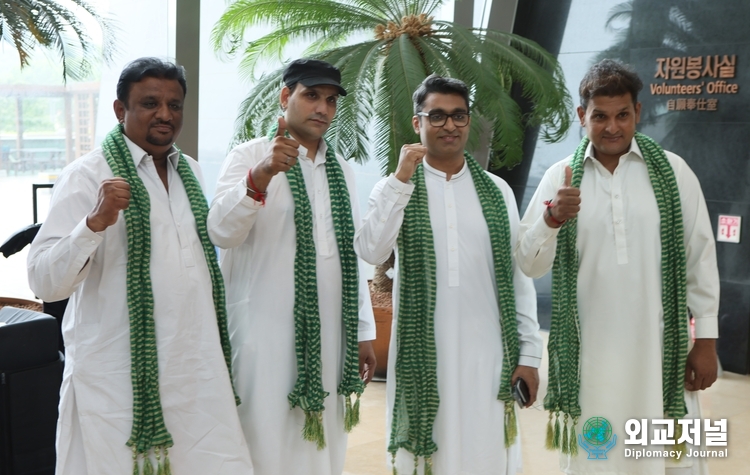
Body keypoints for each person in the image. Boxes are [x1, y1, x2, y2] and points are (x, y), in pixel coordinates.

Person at [27, 58, 254, 474]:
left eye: (175, 104)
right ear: (120, 110)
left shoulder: (192, 172)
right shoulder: (87, 175)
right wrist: (93, 223)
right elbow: (45, 280)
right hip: (119, 373)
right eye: (150, 103)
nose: (165, 114)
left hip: (196, 368)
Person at [516, 59, 720, 475]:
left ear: (637, 113)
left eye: (622, 115)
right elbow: (528, 264)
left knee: (670, 458)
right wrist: (552, 219)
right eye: (600, 117)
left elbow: (700, 256)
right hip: (592, 355)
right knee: (600, 458)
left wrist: (707, 341)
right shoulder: (561, 177)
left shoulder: (674, 172)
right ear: (582, 116)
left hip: (662, 349)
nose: (612, 127)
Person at [354, 74, 543, 475]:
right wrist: (402, 178)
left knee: (486, 449)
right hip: (423, 353)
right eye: (437, 116)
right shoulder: (395, 188)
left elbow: (517, 277)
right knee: (428, 454)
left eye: (459, 116)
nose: (450, 126)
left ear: (469, 121)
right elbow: (371, 249)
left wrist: (528, 354)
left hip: (489, 351)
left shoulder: (496, 191)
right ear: (416, 122)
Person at [207, 58, 376, 475]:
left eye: (331, 100)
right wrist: (260, 175)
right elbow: (220, 232)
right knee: (261, 434)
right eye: (311, 95)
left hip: (330, 335)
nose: (322, 108)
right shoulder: (248, 155)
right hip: (261, 331)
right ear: (286, 97)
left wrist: (363, 331)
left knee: (322, 439)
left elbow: (348, 255)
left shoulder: (344, 172)